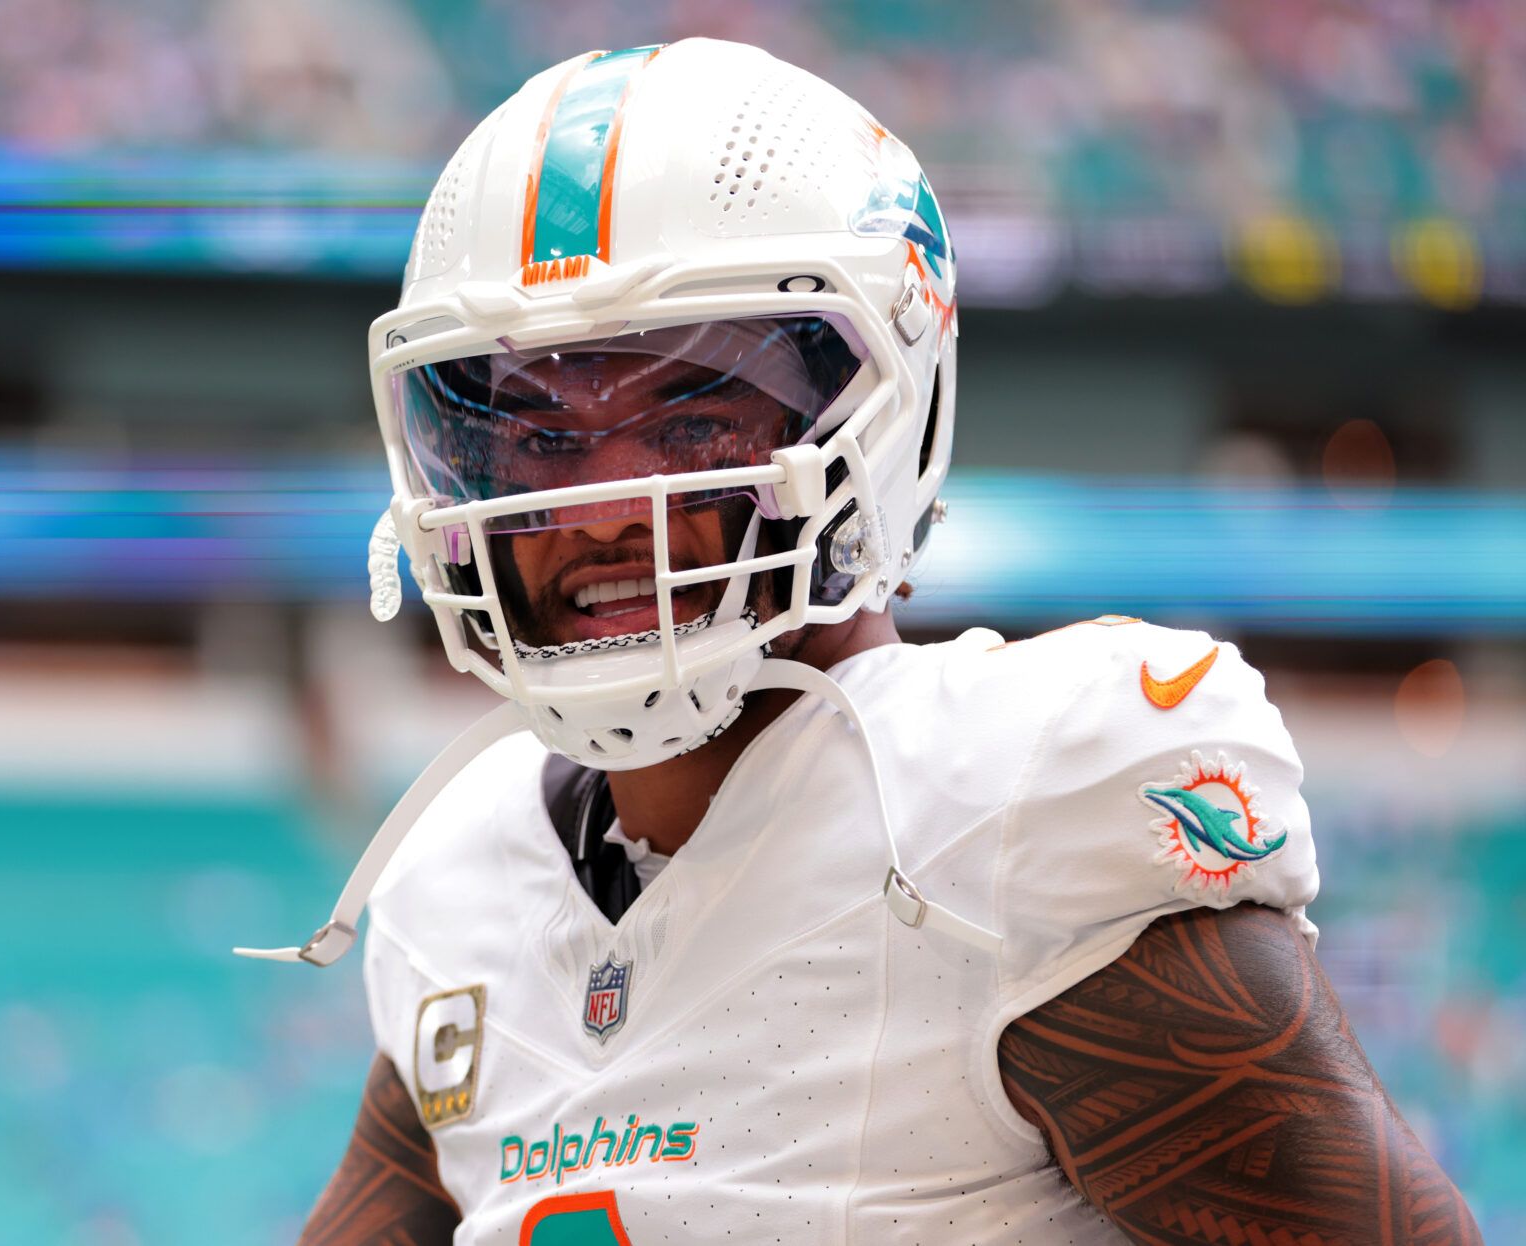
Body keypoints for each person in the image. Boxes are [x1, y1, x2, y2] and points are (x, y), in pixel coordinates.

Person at [242, 38, 1483, 1244]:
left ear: (881, 413)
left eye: (690, 418)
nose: (607, 506)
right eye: (538, 433)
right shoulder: (460, 884)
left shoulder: (1010, 812)